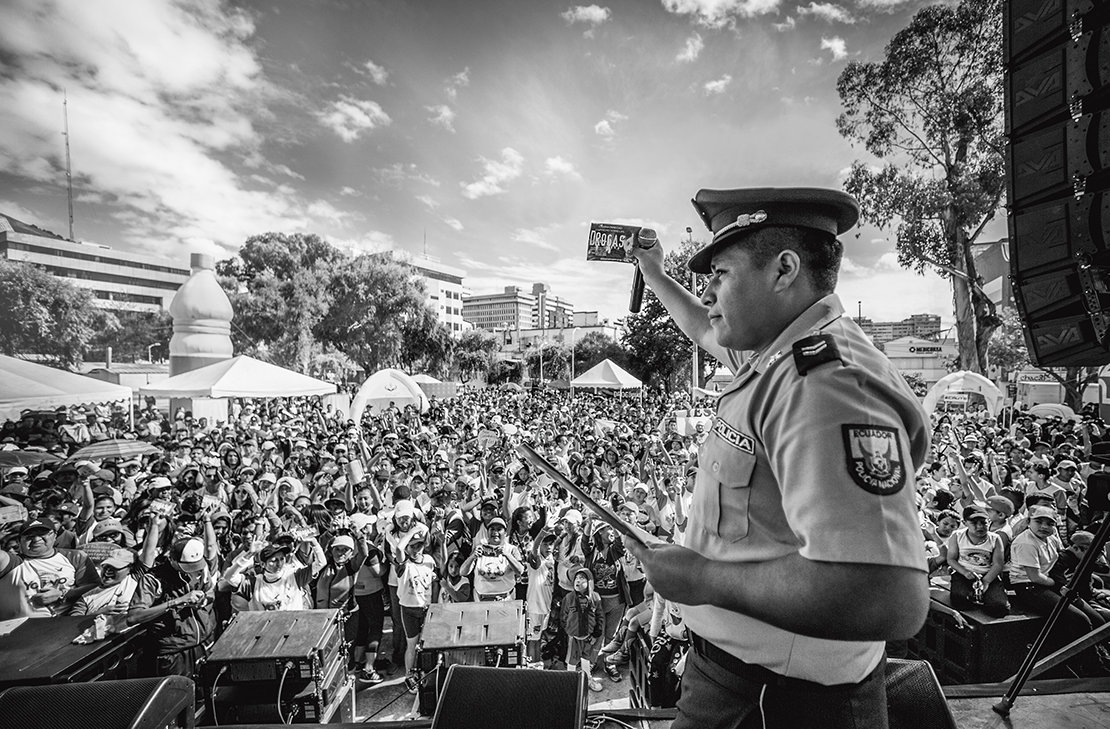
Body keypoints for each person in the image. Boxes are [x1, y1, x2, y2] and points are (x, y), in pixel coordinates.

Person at [628, 188, 929, 729]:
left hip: (780, 700)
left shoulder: (827, 384)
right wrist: (653, 275)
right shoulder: (780, 352)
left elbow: (888, 596)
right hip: (742, 679)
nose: (710, 289)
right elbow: (701, 325)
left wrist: (703, 579)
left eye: (720, 273)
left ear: (784, 269)